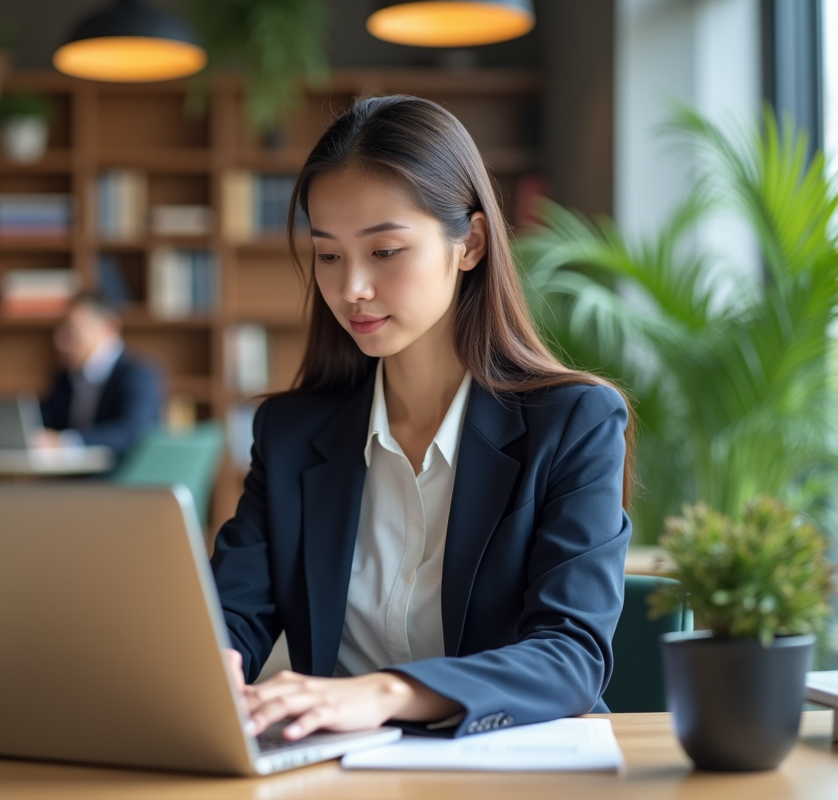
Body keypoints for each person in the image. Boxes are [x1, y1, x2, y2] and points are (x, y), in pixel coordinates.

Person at [211, 95, 634, 743]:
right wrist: (209, 663)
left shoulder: (573, 423)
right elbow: (232, 615)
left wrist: (384, 693)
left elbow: (571, 653)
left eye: (384, 251)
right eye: (328, 255)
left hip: (511, 771)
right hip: (336, 777)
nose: (351, 287)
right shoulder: (291, 435)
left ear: (470, 244)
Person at [38, 291, 163, 462]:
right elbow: (43, 421)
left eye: (71, 330)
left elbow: (134, 432)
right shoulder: (65, 378)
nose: (59, 341)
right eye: (60, 330)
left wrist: (65, 442)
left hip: (120, 483)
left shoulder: (139, 374)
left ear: (108, 328)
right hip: (68, 480)